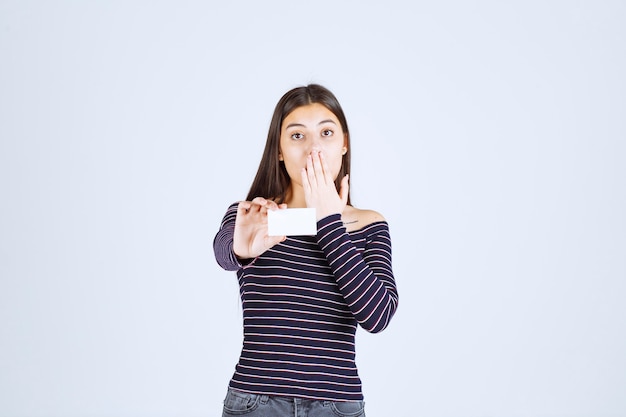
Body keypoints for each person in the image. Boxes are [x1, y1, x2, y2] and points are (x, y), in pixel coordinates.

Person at [213, 84, 399, 417]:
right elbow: (226, 251)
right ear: (280, 150)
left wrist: (329, 220)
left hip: (336, 405)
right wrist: (241, 251)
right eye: (297, 136)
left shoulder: (367, 224)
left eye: (326, 133)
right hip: (256, 401)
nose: (314, 147)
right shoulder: (256, 215)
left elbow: (378, 315)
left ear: (344, 144)